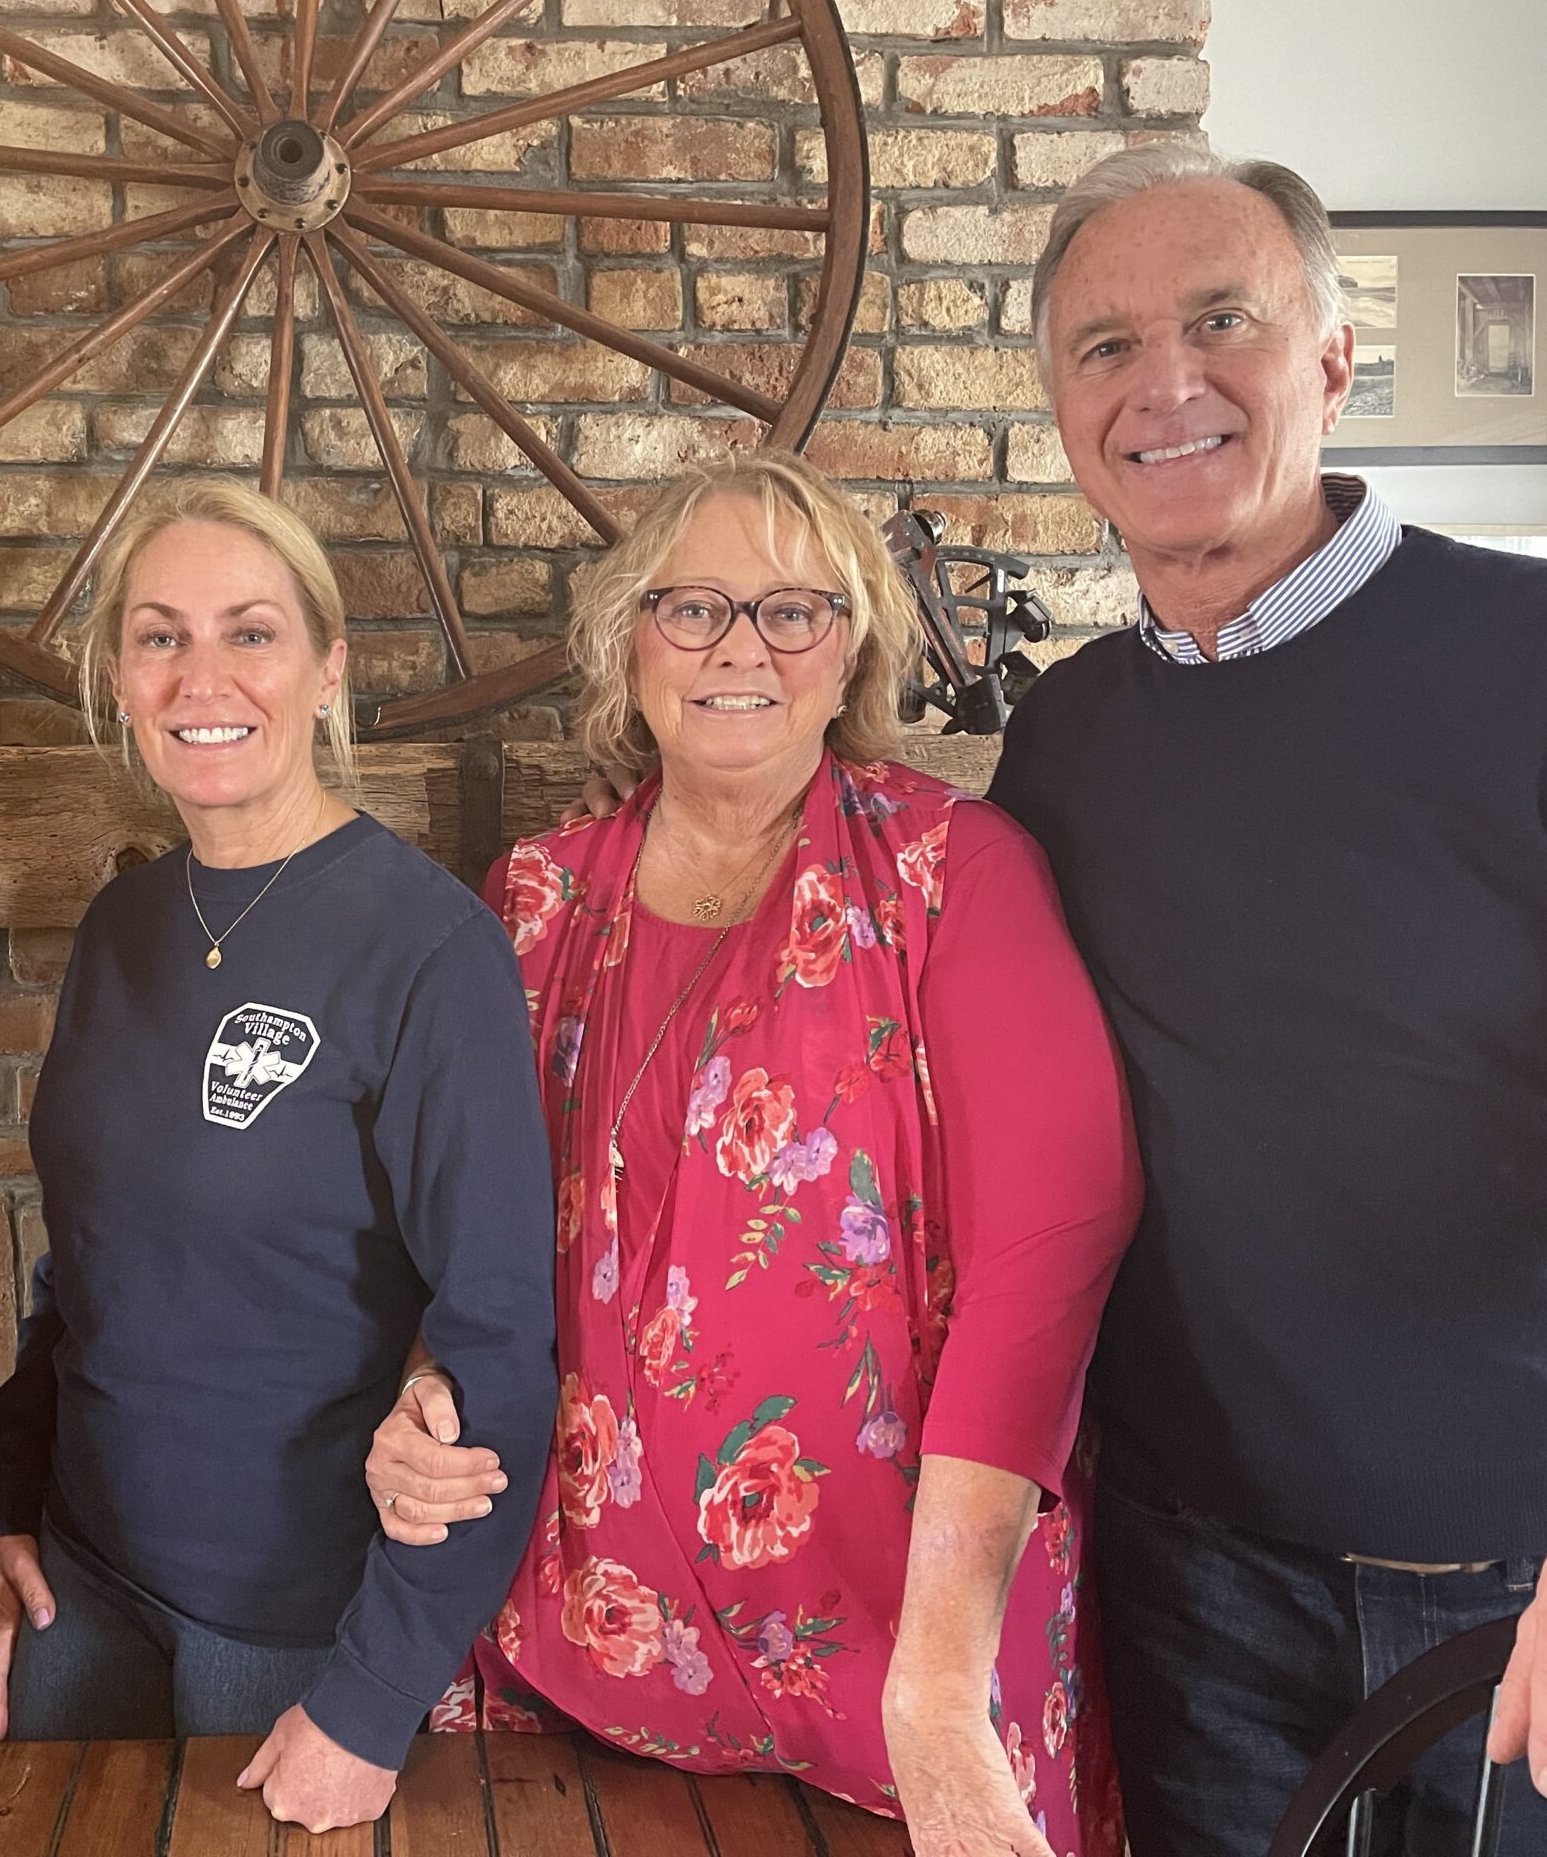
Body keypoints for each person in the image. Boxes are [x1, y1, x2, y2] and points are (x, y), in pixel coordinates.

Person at [988, 143, 1547, 1855]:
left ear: (1331, 360)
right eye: (1103, 347)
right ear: (1057, 404)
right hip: (1199, 1599)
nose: (1163, 382)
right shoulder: (1070, 739)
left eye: (1221, 320)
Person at [367, 454, 1143, 1855]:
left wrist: (942, 1683)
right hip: (576, 1665)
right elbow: (465, 1243)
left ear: (852, 649)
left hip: (905, 1668)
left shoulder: (952, 873)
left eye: (796, 610)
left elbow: (1048, 1254)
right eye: (696, 608)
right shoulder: (530, 906)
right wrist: (425, 1395)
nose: (742, 648)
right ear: (628, 641)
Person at [0, 479, 558, 1836]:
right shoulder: (121, 924)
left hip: (295, 1627)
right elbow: (93, 1260)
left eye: (252, 633)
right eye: (161, 636)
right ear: (120, 674)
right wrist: (4, 1487)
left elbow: (500, 1339)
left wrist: (372, 1695)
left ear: (327, 667)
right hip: (85, 1589)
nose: (203, 676)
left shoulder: (430, 950)